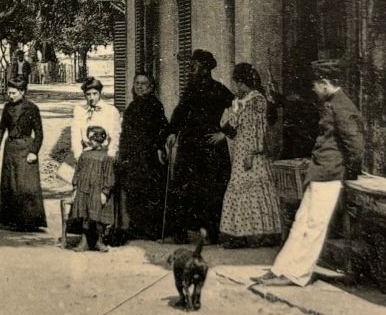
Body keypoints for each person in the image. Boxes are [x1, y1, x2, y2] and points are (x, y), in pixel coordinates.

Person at [256, 60, 365, 287]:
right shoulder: (332, 103)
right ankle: (281, 269)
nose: (313, 91)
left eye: (315, 85)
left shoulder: (342, 107)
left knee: (315, 225)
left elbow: (356, 145)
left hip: (330, 173)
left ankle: (298, 274)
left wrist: (349, 171)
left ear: (325, 84)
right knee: (301, 221)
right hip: (321, 172)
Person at [165, 49, 235, 242]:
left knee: (211, 191)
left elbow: (239, 111)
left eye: (194, 67)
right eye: (190, 67)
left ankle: (211, 233)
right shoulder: (190, 89)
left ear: (205, 68)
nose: (190, 70)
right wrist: (172, 131)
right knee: (184, 188)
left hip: (210, 147)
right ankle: (182, 233)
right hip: (189, 147)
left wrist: (225, 133)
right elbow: (180, 112)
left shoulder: (220, 89)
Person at [218, 63, 285, 248]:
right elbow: (231, 125)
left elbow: (258, 129)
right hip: (242, 150)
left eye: (236, 83)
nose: (235, 88)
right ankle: (242, 234)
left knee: (252, 190)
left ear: (241, 82)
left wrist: (253, 151)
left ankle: (256, 235)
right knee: (245, 191)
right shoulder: (244, 100)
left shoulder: (256, 100)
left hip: (252, 153)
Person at [116, 72, 169, 241]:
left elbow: (163, 128)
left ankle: (151, 229)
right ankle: (137, 227)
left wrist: (160, 147)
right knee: (134, 191)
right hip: (133, 156)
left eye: (144, 83)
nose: (140, 86)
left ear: (151, 87)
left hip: (148, 156)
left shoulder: (155, 105)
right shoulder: (132, 106)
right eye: (137, 83)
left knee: (149, 191)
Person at [0, 76, 47, 232]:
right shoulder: (7, 108)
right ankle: (9, 220)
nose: (10, 96)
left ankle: (29, 221)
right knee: (10, 184)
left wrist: (34, 151)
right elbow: (2, 128)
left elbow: (40, 134)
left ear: (22, 92)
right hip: (10, 150)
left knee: (25, 185)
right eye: (9, 93)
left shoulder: (32, 108)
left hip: (26, 150)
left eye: (14, 93)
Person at [66, 125, 118, 251]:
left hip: (97, 192)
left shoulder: (106, 158)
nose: (92, 142)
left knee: (99, 218)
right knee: (85, 216)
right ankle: (84, 242)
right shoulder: (84, 156)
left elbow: (109, 177)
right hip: (84, 190)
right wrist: (76, 187)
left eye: (95, 140)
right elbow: (77, 173)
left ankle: (99, 242)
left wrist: (105, 192)